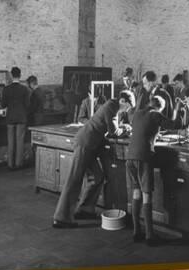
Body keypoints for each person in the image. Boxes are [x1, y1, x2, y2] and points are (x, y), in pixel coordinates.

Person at [52, 91, 134, 228]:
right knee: (74, 180)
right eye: (128, 106)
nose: (127, 110)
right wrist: (125, 128)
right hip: (85, 143)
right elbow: (113, 131)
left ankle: (85, 209)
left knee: (97, 176)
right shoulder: (111, 107)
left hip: (90, 145)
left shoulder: (112, 106)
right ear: (123, 101)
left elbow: (109, 128)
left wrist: (122, 127)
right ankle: (61, 218)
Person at [126, 96, 181, 244]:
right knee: (146, 194)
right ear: (159, 108)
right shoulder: (155, 114)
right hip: (144, 156)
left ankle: (137, 231)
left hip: (130, 157)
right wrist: (176, 107)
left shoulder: (137, 113)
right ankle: (150, 235)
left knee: (136, 192)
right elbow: (174, 123)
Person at [1, 66, 30, 169]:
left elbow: (3, 105)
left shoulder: (6, 89)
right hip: (21, 117)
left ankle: (10, 164)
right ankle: (18, 164)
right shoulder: (24, 89)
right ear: (20, 75)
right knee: (20, 141)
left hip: (10, 118)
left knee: (10, 141)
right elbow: (27, 105)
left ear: (12, 75)